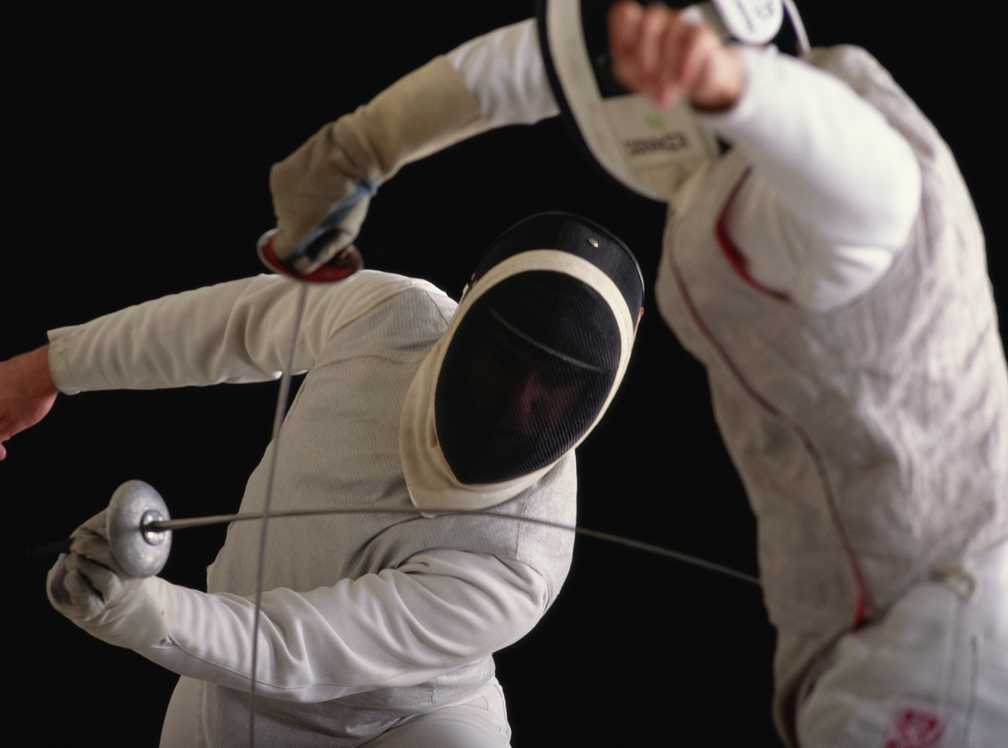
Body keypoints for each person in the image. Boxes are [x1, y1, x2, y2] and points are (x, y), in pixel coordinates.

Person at [259, 2, 1008, 745]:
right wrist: (357, 148)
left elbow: (863, 176)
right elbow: (541, 65)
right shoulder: (811, 107)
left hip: (933, 636)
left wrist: (735, 84)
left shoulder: (838, 192)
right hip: (910, 630)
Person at [0, 208, 645, 746]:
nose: (519, 401)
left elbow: (303, 645)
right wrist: (51, 368)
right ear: (465, 310)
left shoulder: (522, 560)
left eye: (555, 384)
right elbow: (232, 323)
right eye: (504, 358)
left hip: (407, 726)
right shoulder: (395, 315)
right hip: (227, 682)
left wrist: (147, 611)